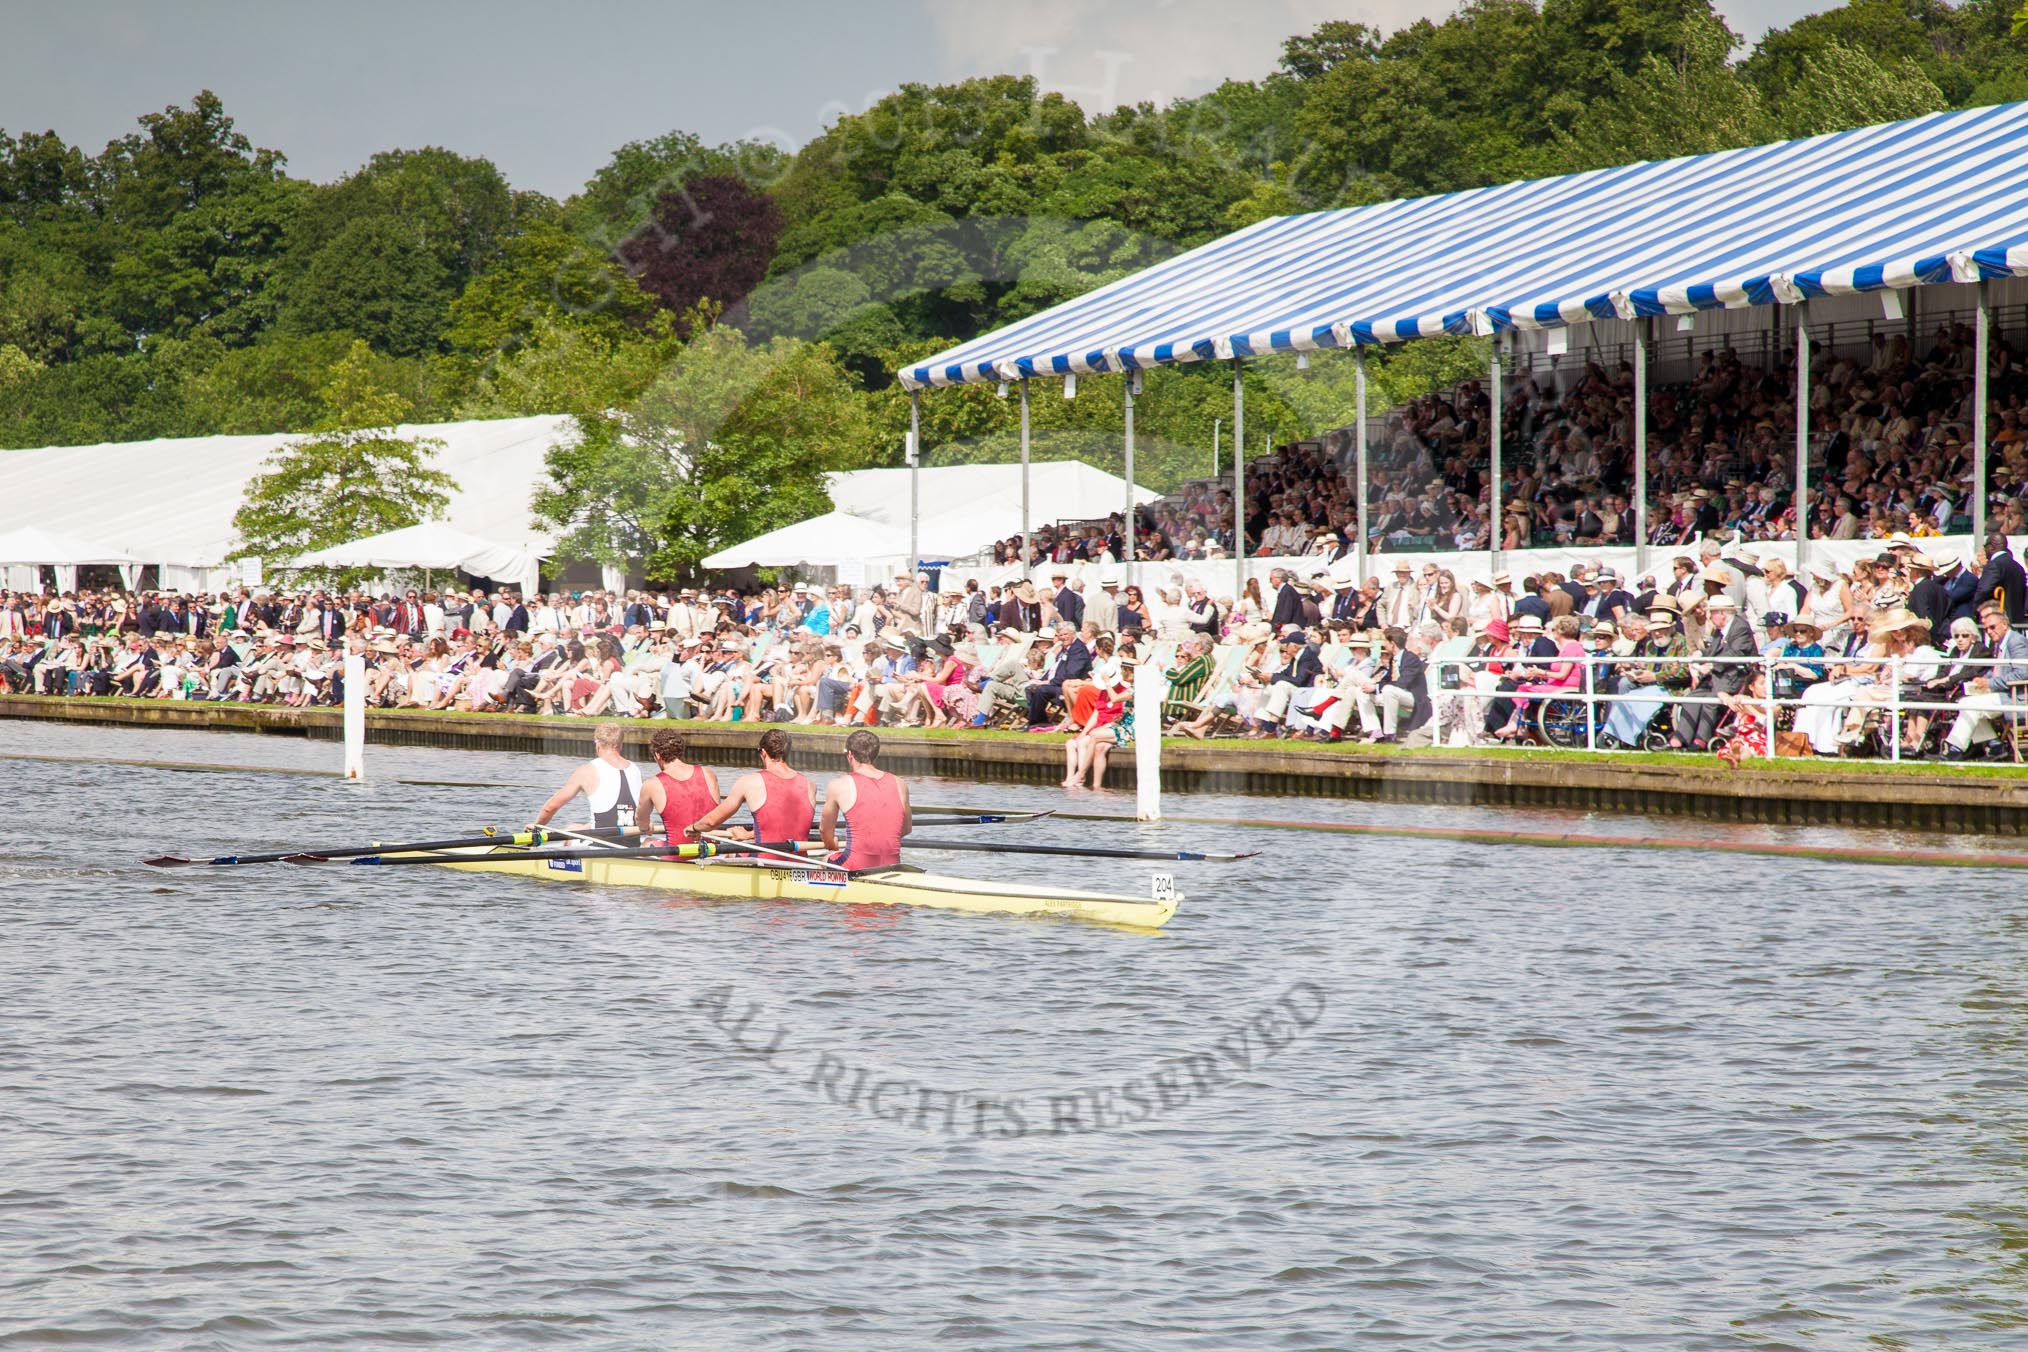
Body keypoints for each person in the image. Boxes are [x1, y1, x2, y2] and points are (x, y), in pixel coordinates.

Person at [687, 727, 816, 846]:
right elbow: (784, 826)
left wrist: (693, 828)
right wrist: (748, 835)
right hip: (801, 864)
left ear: (763, 753)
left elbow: (711, 822)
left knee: (729, 855)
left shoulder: (749, 782)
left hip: (766, 862)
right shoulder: (810, 785)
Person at [820, 729, 912, 869]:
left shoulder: (837, 785)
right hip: (893, 864)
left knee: (825, 859)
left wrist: (831, 844)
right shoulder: (900, 783)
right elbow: (906, 829)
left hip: (856, 865)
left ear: (850, 755)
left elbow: (824, 831)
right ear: (875, 754)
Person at [531, 721, 642, 832]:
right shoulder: (635, 769)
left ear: (597, 744)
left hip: (600, 845)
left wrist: (537, 828)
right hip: (633, 842)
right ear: (621, 745)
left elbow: (550, 808)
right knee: (577, 828)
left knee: (570, 831)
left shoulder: (587, 770)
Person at [634, 727, 722, 850]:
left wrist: (646, 828)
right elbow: (718, 814)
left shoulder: (651, 784)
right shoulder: (708, 773)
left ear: (657, 755)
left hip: (678, 855)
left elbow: (641, 821)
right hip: (711, 851)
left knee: (647, 842)